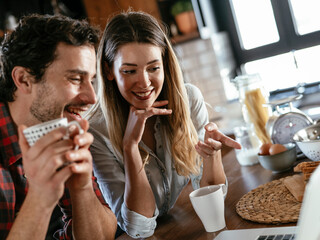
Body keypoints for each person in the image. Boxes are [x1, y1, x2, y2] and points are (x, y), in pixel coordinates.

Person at [88, 11, 241, 238]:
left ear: (165, 64)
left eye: (153, 68)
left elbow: (211, 199)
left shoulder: (189, 100)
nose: (145, 82)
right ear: (109, 70)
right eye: (129, 71)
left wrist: (212, 156)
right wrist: (130, 146)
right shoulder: (96, 131)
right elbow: (139, 228)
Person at [0, 14, 117, 239]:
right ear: (24, 79)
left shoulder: (57, 128)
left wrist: (81, 188)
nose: (92, 98)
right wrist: (41, 198)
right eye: (75, 79)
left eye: (91, 80)